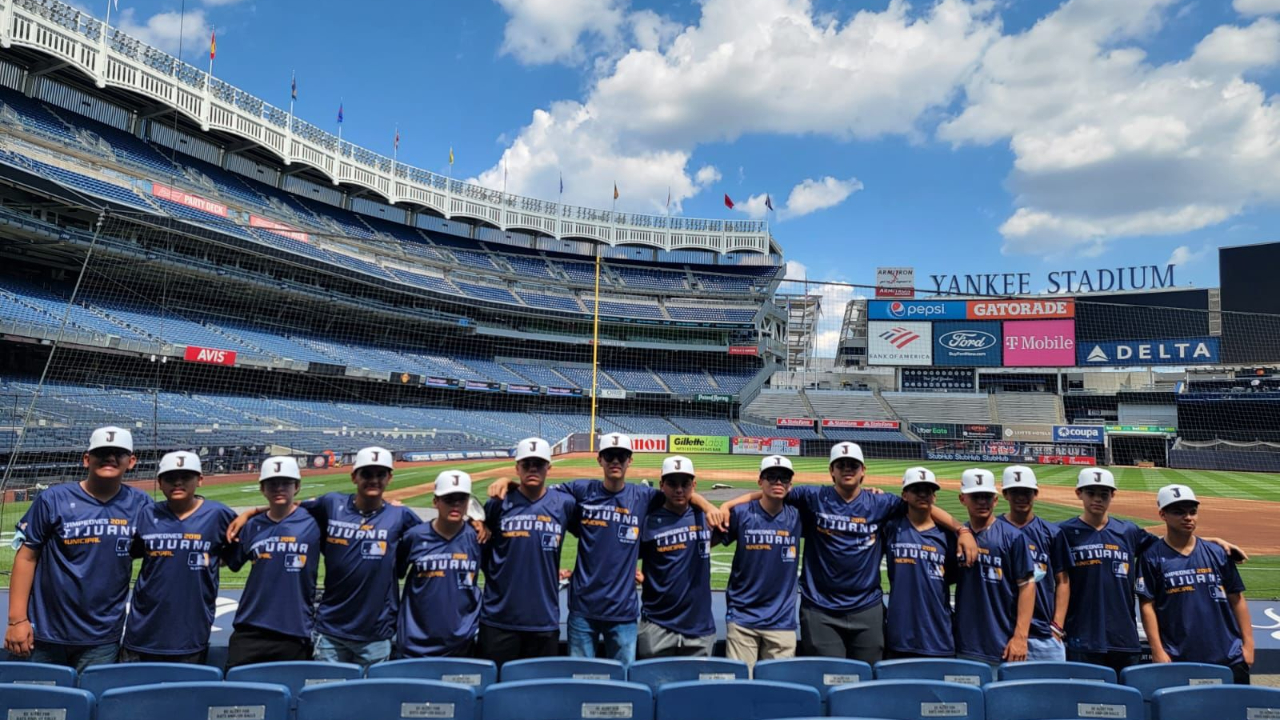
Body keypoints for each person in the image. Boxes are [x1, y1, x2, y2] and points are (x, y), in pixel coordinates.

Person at [720, 442, 977, 663]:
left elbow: (923, 504)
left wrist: (961, 530)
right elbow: (771, 492)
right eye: (841, 465)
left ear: (863, 471)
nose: (847, 469)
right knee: (828, 676)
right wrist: (729, 503)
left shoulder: (880, 502)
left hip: (866, 606)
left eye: (853, 465)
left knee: (867, 677)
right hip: (820, 606)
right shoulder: (812, 496)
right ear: (831, 470)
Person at [486, 432, 723, 666]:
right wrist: (510, 482)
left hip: (623, 613)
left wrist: (706, 503)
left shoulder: (642, 496)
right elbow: (538, 493)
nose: (615, 462)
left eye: (621, 456)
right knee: (581, 678)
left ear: (630, 460)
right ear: (600, 459)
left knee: (623, 683)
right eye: (610, 456)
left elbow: (679, 493)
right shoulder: (580, 491)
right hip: (582, 610)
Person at [228, 446, 422, 668]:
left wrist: (472, 524)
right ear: (354, 477)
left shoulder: (400, 515)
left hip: (375, 631)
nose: (373, 480)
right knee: (325, 696)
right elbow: (288, 505)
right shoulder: (331, 504)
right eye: (367, 474)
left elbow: (434, 537)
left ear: (389, 478)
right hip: (330, 628)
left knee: (370, 698)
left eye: (380, 474)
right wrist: (251, 512)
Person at [1062, 467, 1245, 674]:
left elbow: (1167, 543)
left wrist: (1212, 542)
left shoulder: (1127, 531)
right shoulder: (1064, 532)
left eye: (1104, 494)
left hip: (1124, 636)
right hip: (1081, 632)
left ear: (1112, 495)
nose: (1098, 499)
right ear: (1079, 493)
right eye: (1091, 493)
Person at [4, 426, 150, 670]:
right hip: (45, 633)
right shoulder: (53, 499)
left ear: (131, 461)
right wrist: (16, 620)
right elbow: (27, 557)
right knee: (39, 705)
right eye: (102, 452)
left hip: (102, 636)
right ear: (86, 459)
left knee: (92, 703)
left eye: (118, 453)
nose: (110, 458)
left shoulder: (140, 503)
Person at [121, 451, 236, 664]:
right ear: (160, 482)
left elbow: (237, 555)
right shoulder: (147, 514)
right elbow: (133, 552)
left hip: (190, 632)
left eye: (186, 477)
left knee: (184, 693)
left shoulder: (219, 514)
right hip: (143, 629)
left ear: (200, 480)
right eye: (170, 478)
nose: (178, 482)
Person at [1138, 485, 1253, 685]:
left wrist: (1248, 645)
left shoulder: (1217, 553)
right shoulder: (1151, 557)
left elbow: (1237, 599)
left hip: (1228, 655)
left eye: (1192, 512)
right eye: (1179, 512)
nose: (1188, 517)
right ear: (1162, 514)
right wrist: (1157, 650)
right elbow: (1147, 605)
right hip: (1179, 657)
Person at [479, 437, 576, 665]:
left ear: (549, 468)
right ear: (517, 467)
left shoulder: (564, 504)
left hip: (543, 620)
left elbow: (593, 536)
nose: (533, 468)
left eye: (539, 463)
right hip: (498, 619)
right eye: (526, 463)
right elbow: (480, 544)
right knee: (497, 692)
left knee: (539, 693)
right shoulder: (497, 504)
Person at [224, 456, 321, 668]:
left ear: (296, 487)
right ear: (262, 488)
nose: (279, 488)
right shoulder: (251, 526)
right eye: (272, 483)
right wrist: (249, 514)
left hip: (294, 628)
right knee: (236, 694)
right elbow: (230, 562)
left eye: (285, 483)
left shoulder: (314, 521)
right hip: (250, 628)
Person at [718, 455, 802, 671]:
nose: (778, 483)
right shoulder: (741, 513)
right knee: (741, 689)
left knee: (777, 692)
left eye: (783, 479)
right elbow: (705, 542)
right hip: (742, 619)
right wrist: (726, 505)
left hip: (782, 621)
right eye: (771, 478)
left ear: (790, 484)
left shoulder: (798, 516)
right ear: (760, 481)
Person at [952, 468, 1036, 666]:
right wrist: (961, 530)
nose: (982, 502)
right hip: (963, 643)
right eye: (976, 496)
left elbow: (1028, 586)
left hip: (1004, 644)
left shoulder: (1013, 537)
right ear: (963, 499)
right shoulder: (956, 537)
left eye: (987, 496)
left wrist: (1020, 638)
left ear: (996, 500)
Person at [396, 470, 482, 658]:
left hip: (461, 641)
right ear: (436, 501)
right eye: (449, 499)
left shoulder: (477, 538)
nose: (456, 504)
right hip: (415, 643)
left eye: (461, 499)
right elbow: (394, 575)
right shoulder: (415, 536)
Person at [637, 455, 715, 658]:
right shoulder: (648, 521)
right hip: (656, 624)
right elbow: (623, 553)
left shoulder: (709, 519)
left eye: (685, 483)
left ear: (694, 485)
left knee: (695, 689)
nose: (679, 489)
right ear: (661, 485)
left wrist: (709, 506)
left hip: (699, 627)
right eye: (672, 483)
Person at [998, 465, 1072, 661]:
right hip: (1001, 632)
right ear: (1005, 494)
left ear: (1035, 493)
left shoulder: (1052, 533)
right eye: (1015, 492)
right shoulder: (993, 530)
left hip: (1043, 634)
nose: (1021, 497)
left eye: (1026, 492)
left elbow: (1063, 581)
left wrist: (1057, 626)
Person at [882, 466, 957, 659]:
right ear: (904, 495)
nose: (923, 494)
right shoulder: (891, 528)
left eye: (928, 490)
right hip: (899, 634)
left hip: (938, 635)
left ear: (934, 497)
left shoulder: (948, 536)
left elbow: (952, 577)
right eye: (916, 490)